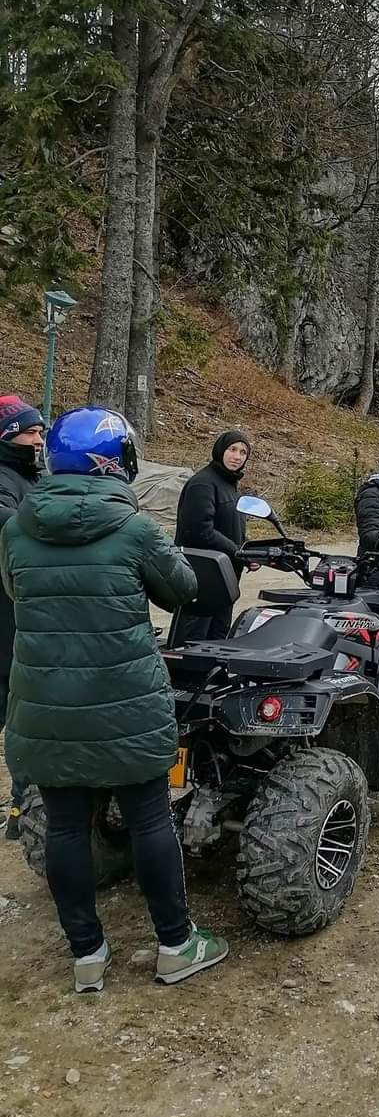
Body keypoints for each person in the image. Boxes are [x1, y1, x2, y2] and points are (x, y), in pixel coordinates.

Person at [0, 407, 228, 991]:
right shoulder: (134, 528)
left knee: (67, 827)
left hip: (44, 701)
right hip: (125, 698)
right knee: (150, 818)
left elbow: (14, 589)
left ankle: (87, 955)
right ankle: (176, 945)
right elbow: (183, 590)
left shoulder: (17, 527)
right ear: (115, 461)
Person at [0, 395, 45, 840]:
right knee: (21, 718)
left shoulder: (33, 474)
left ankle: (22, 805)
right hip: (7, 621)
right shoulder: (4, 477)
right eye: (30, 432)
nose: (38, 441)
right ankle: (22, 806)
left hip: (23, 618)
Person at [173, 429, 253, 643]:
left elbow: (231, 528)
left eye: (243, 452)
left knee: (218, 637)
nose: (237, 456)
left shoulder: (229, 485)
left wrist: (248, 554)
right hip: (203, 575)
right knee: (193, 640)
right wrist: (239, 552)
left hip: (225, 577)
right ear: (220, 450)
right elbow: (200, 531)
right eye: (232, 449)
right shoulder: (203, 483)